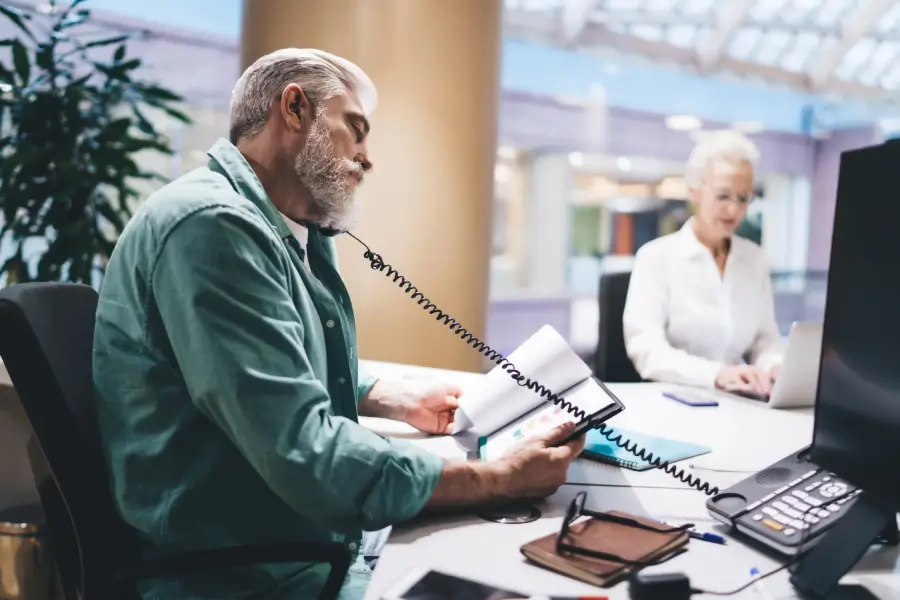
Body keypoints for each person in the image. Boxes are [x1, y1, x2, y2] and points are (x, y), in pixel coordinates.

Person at [92, 48, 586, 600]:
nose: (367, 158)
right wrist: (499, 480)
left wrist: (383, 394)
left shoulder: (282, 228)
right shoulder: (213, 228)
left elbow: (263, 369)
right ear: (295, 108)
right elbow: (303, 453)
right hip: (246, 574)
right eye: (356, 130)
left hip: (294, 545)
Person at [622, 129, 783, 395]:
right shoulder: (656, 258)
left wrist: (776, 366)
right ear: (694, 192)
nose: (733, 209)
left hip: (739, 402)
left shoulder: (754, 259)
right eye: (723, 196)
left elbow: (764, 342)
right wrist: (717, 375)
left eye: (743, 198)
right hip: (672, 402)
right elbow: (647, 350)